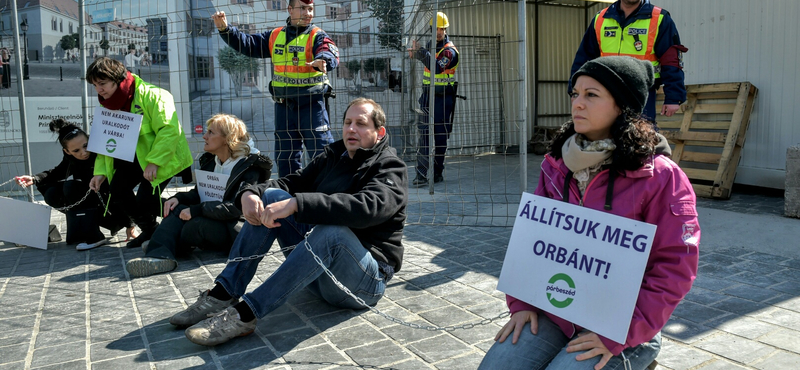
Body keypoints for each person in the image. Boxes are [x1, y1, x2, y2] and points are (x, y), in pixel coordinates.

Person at [478, 56, 700, 370]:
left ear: (621, 105)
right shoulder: (556, 163)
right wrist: (523, 304)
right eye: (575, 94)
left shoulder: (661, 176)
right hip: (555, 312)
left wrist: (620, 333)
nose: (577, 104)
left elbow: (675, 266)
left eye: (591, 95)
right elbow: (534, 241)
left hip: (621, 325)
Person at [168, 98, 407, 346]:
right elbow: (291, 182)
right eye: (347, 122)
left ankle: (245, 314)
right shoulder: (333, 156)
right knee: (271, 196)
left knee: (332, 231)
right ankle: (223, 293)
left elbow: (369, 208)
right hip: (319, 274)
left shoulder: (390, 167)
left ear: (379, 132)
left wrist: (297, 204)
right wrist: (249, 193)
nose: (351, 129)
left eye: (361, 123)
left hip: (363, 284)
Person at [125, 114, 273, 277]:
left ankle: (165, 243)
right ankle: (159, 255)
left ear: (227, 139)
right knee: (176, 208)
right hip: (212, 217)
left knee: (194, 224)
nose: (204, 136)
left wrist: (196, 210)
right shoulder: (211, 161)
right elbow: (199, 192)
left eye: (211, 132)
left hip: (236, 228)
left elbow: (236, 208)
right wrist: (179, 198)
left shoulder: (249, 168)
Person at [211, 0, 339, 177]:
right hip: (284, 106)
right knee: (285, 158)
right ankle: (289, 195)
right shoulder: (275, 35)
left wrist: (324, 60)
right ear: (290, 9)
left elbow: (328, 50)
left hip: (312, 106)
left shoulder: (317, 35)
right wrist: (226, 30)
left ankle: (326, 195)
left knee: (321, 153)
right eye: (303, 8)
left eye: (310, 9)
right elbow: (247, 44)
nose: (308, 13)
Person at [87, 57, 194, 249]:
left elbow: (169, 130)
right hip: (136, 157)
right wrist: (100, 172)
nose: (98, 90)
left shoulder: (155, 96)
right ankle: (151, 231)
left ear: (118, 79)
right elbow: (107, 140)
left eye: (102, 84)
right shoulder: (108, 103)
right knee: (117, 190)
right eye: (95, 85)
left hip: (164, 157)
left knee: (147, 200)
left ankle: (194, 213)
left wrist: (154, 162)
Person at [15, 119, 135, 250]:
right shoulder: (71, 159)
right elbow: (57, 172)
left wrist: (130, 223)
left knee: (71, 187)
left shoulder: (103, 151)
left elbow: (121, 187)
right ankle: (83, 230)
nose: (83, 153)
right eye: (76, 150)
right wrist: (34, 178)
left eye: (86, 145)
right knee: (51, 193)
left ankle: (94, 237)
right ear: (67, 151)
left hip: (113, 208)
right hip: (95, 204)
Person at [569, 0, 687, 123]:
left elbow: (671, 60)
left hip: (641, 92)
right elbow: (584, 58)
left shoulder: (659, 18)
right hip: (605, 89)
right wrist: (574, 90)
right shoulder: (601, 18)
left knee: (641, 136)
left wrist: (673, 97)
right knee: (604, 135)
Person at [408, 12, 460, 186]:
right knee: (423, 135)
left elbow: (437, 67)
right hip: (426, 98)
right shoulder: (431, 46)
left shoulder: (450, 51)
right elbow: (425, 61)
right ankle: (421, 175)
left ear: (445, 29)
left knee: (439, 138)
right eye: (435, 28)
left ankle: (437, 172)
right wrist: (414, 53)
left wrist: (420, 52)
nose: (438, 32)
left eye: (441, 28)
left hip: (443, 99)